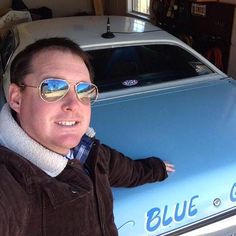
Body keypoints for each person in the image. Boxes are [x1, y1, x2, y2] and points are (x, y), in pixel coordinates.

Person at [0, 37, 175, 236]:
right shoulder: (10, 184)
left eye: (84, 91)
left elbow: (124, 169)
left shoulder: (88, 151)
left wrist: (156, 169)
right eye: (53, 87)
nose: (74, 104)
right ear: (16, 98)